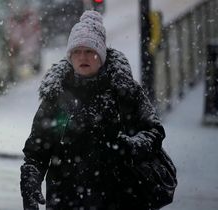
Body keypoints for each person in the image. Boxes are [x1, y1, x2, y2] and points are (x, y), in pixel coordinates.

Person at [20, 11, 165, 210]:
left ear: (102, 55)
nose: (83, 57)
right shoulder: (57, 95)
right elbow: (38, 147)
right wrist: (31, 176)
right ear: (70, 56)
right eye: (77, 51)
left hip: (118, 198)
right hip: (65, 200)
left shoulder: (125, 92)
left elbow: (154, 132)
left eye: (90, 51)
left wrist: (131, 147)